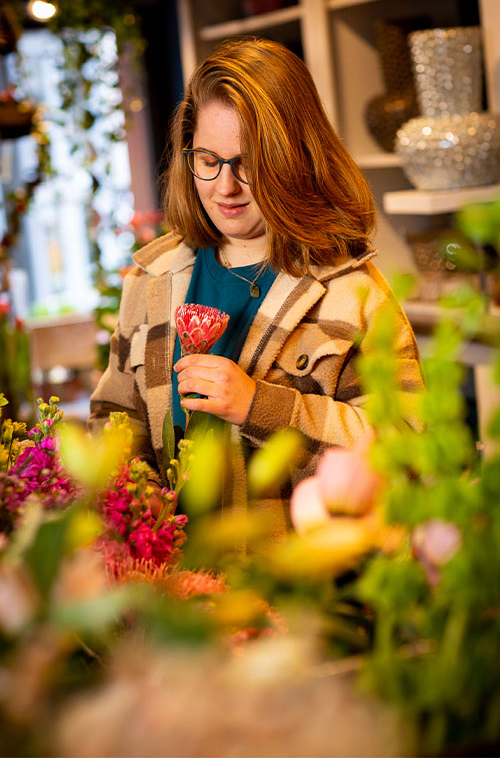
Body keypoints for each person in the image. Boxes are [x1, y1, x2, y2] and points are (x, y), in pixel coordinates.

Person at [89, 37, 424, 538]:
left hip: (297, 592)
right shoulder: (152, 277)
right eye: (208, 159)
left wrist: (259, 406)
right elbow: (115, 419)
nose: (225, 187)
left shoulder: (352, 293)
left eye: (248, 163)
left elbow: (407, 453)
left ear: (296, 158)